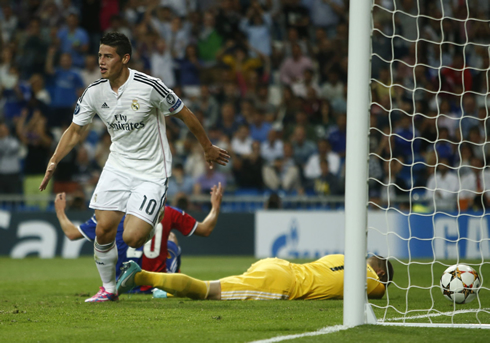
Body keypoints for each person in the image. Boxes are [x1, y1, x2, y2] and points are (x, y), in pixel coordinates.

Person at [39, 32, 229, 303]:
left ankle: (153, 217)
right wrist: (54, 160)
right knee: (104, 229)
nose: (101, 61)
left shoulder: (149, 86)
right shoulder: (94, 92)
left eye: (108, 56)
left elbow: (184, 113)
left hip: (152, 169)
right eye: (99, 55)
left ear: (124, 58)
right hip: (118, 165)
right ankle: (108, 289)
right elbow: (74, 131)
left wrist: (207, 146)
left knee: (133, 238)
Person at [55, 183, 223, 295]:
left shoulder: (112, 215)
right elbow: (205, 229)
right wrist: (215, 207)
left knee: (106, 241)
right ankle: (168, 283)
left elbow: (71, 233)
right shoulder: (169, 212)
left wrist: (61, 212)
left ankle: (111, 287)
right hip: (156, 285)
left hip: (124, 287)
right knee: (172, 239)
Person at [116, 254, 393, 300]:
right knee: (207, 291)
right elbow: (381, 289)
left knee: (222, 285)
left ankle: (164, 288)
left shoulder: (344, 258)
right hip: (283, 284)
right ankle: (141, 276)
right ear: (379, 271)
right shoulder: (372, 280)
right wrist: (382, 280)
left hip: (277, 265)